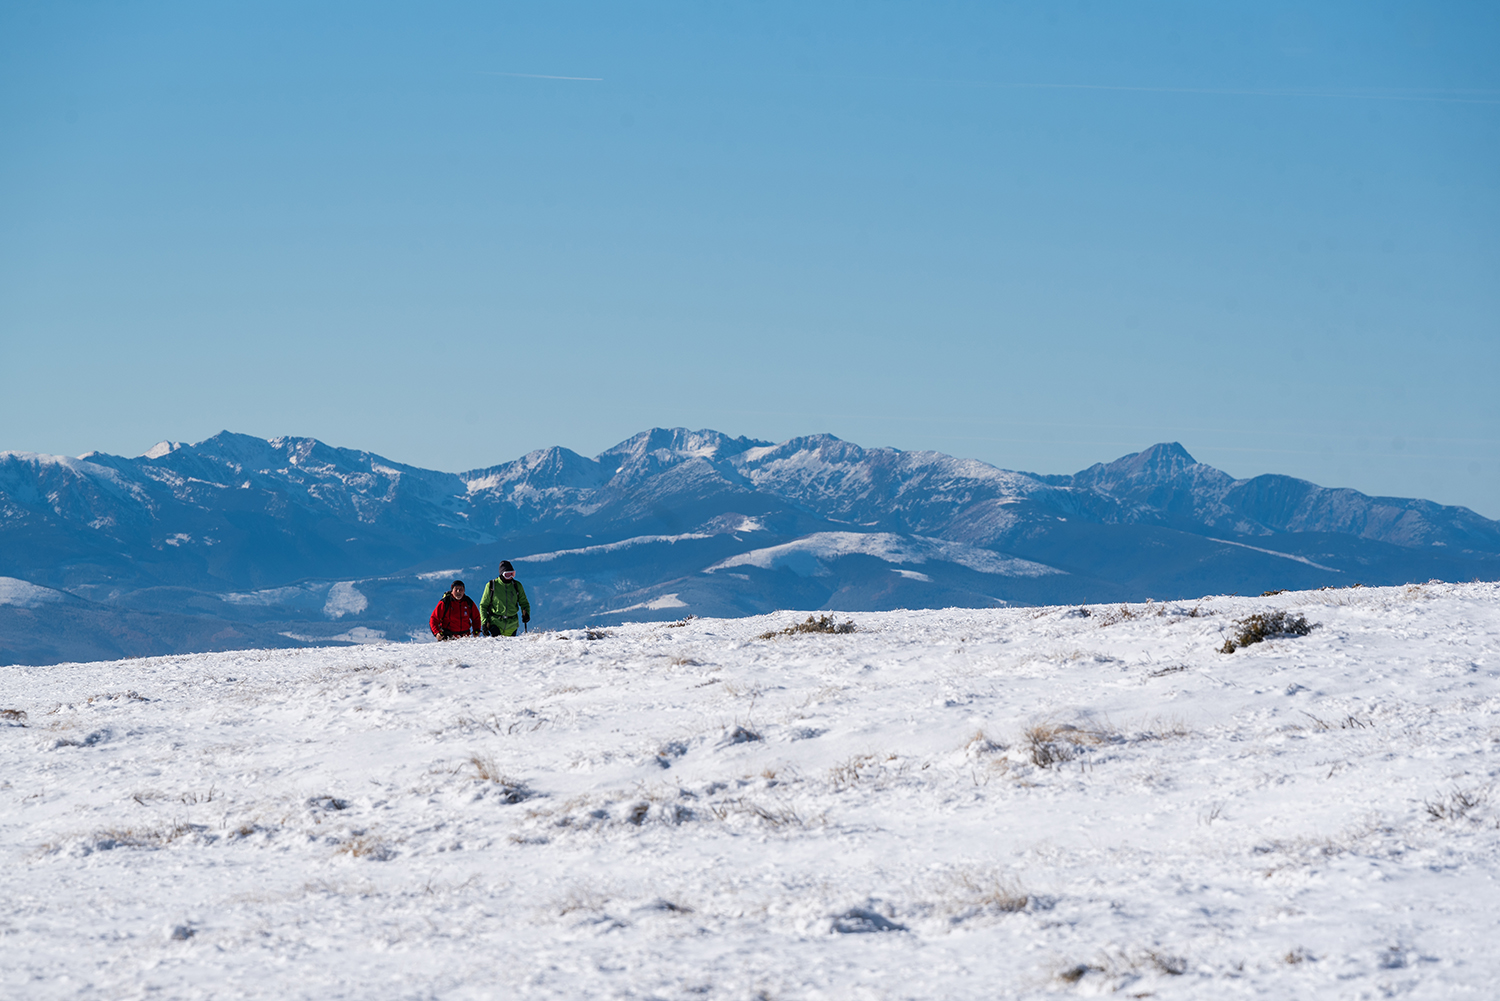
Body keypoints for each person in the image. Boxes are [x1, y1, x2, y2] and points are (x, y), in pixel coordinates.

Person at [480, 560, 531, 637]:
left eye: (512, 574)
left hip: (512, 624)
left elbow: (524, 603)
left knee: (509, 648)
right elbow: (483, 605)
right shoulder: (491, 586)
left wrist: (526, 614)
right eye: (507, 575)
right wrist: (484, 622)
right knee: (497, 646)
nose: (510, 577)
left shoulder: (517, 586)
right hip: (496, 622)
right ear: (501, 574)